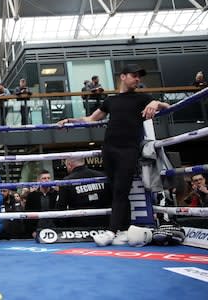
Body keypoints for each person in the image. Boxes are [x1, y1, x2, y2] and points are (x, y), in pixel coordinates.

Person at [58, 64, 170, 246]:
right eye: (134, 75)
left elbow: (167, 106)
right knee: (116, 190)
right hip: (109, 149)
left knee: (120, 190)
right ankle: (123, 230)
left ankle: (110, 232)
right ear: (123, 77)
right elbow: (91, 119)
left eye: (139, 76)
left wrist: (155, 102)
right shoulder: (111, 100)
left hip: (129, 150)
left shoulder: (143, 98)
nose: (137, 79)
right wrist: (70, 120)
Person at [56, 157, 111, 228]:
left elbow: (60, 208)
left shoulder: (67, 181)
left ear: (69, 165)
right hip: (105, 223)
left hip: (79, 226)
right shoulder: (102, 176)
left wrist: (64, 227)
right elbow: (113, 199)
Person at [24, 170, 58, 238]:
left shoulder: (56, 194)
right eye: (44, 178)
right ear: (38, 180)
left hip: (55, 229)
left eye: (48, 178)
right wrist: (32, 231)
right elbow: (27, 215)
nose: (47, 180)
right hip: (37, 230)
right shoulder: (32, 196)